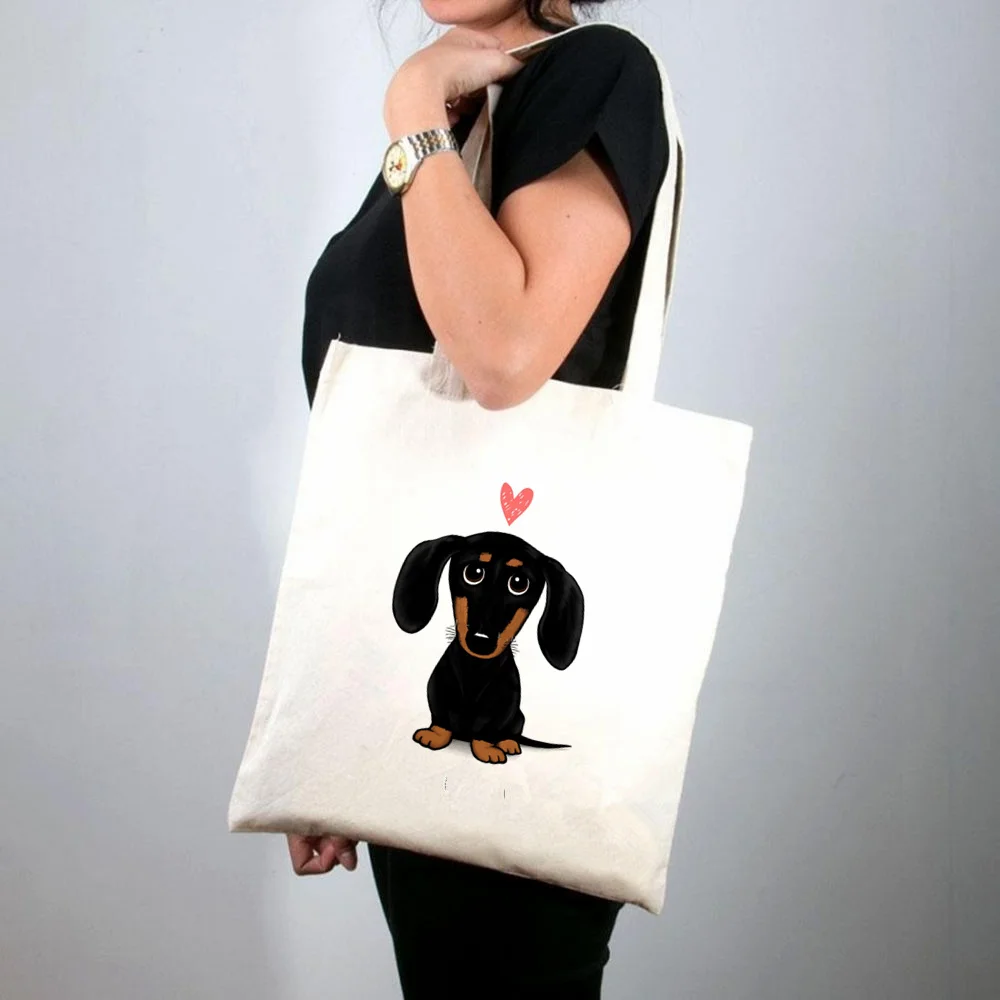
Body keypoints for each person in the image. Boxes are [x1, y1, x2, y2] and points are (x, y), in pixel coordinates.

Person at [285, 1, 669, 996]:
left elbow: (502, 355)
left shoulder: (594, 71)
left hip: (522, 737)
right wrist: (330, 720)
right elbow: (376, 458)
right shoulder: (461, 113)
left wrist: (413, 105)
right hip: (407, 691)